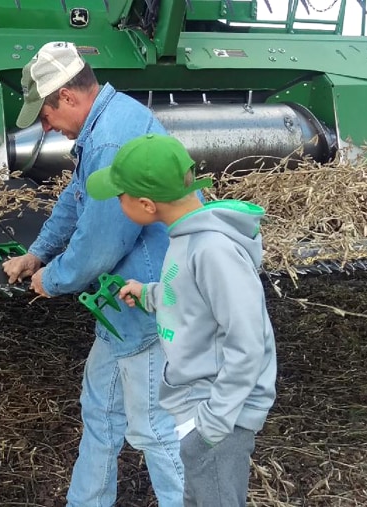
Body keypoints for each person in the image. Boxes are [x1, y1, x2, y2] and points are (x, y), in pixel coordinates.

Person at [2, 41, 184, 506]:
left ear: (66, 97)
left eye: (44, 115)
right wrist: (37, 254)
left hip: (141, 305)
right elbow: (76, 199)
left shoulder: (108, 140)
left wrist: (54, 279)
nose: (46, 127)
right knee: (100, 412)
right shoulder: (109, 120)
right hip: (118, 311)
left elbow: (101, 241)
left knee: (153, 430)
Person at [86, 133, 278, 506]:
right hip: (199, 407)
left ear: (145, 205)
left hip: (219, 414)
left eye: (119, 196)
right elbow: (189, 296)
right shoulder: (187, 237)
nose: (118, 203)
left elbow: (248, 340)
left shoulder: (213, 250)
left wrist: (212, 426)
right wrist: (149, 294)